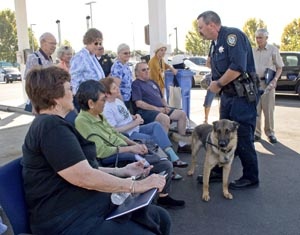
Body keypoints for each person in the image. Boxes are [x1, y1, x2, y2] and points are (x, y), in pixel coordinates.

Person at [22, 66, 171, 235]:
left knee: (160, 218)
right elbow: (84, 176)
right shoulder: (50, 127)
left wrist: (122, 170)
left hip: (84, 205)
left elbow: (80, 168)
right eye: (69, 89)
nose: (73, 93)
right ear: (55, 98)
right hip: (66, 218)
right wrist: (136, 185)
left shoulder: (54, 125)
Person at [75, 79, 185, 208]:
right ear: (91, 103)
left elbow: (115, 133)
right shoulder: (82, 122)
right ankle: (149, 198)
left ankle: (160, 194)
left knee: (153, 151)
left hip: (123, 147)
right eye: (102, 100)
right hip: (112, 156)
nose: (105, 103)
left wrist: (134, 144)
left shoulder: (98, 115)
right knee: (162, 164)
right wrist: (131, 149)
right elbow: (101, 151)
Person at [196, 11, 259, 189]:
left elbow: (238, 67)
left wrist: (218, 83)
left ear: (212, 25)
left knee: (243, 136)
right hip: (228, 96)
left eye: (201, 27)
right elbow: (215, 66)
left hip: (242, 97)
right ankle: (217, 170)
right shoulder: (215, 44)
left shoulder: (232, 36)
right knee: (221, 134)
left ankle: (250, 177)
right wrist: (213, 79)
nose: (199, 31)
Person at [101, 77, 188, 179]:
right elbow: (114, 131)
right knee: (152, 139)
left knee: (156, 126)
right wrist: (135, 123)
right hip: (128, 135)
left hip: (135, 128)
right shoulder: (106, 108)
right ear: (107, 93)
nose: (118, 89)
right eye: (114, 88)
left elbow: (126, 115)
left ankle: (172, 158)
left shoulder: (117, 101)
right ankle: (168, 166)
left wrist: (135, 117)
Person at [132, 62, 191, 154]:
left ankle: (182, 145)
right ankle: (163, 150)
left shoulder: (152, 82)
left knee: (181, 114)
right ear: (137, 73)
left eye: (148, 69)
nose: (147, 71)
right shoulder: (136, 84)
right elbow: (139, 103)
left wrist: (166, 106)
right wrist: (158, 109)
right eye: (143, 70)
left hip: (161, 109)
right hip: (146, 112)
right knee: (165, 119)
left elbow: (161, 98)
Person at [252, 28, 284, 144]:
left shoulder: (273, 50)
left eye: (260, 37)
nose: (258, 40)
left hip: (268, 84)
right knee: (255, 110)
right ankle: (256, 133)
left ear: (266, 38)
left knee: (268, 110)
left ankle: (270, 133)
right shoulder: (252, 51)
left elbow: (280, 67)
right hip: (255, 84)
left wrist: (275, 80)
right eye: (256, 37)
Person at [24, 32, 57, 112]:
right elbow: (30, 83)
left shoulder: (50, 59)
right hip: (39, 102)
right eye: (52, 43)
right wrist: (35, 103)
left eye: (55, 44)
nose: (54, 46)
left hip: (49, 100)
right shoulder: (34, 58)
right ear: (42, 43)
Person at [69, 28, 105, 96]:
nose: (98, 46)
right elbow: (74, 79)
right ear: (88, 42)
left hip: (96, 94)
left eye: (100, 43)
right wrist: (78, 97)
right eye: (96, 43)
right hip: (85, 97)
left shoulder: (92, 57)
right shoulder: (80, 57)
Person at [110, 43, 134, 111]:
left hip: (128, 98)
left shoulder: (125, 65)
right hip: (122, 100)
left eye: (129, 53)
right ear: (119, 54)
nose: (128, 55)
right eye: (125, 53)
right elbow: (116, 87)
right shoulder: (118, 67)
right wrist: (122, 104)